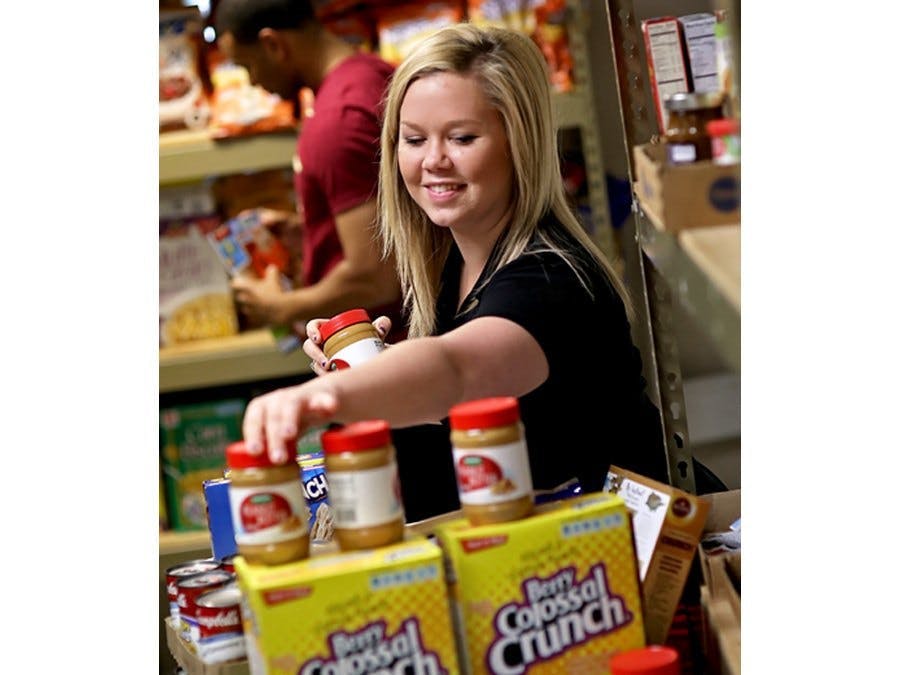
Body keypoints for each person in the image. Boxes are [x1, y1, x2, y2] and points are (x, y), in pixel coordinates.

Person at [240, 23, 670, 520]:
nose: (433, 161)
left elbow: (455, 372)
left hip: (623, 571)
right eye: (414, 139)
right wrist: (369, 372)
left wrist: (322, 397)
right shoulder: (457, 268)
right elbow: (443, 399)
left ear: (519, 144)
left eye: (462, 138)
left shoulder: (551, 278)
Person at [213, 0, 404, 338]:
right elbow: (390, 217)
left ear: (273, 44)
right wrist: (313, 228)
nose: (254, 82)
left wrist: (282, 308)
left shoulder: (336, 121)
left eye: (248, 65)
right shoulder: (370, 72)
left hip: (382, 344)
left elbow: (376, 276)